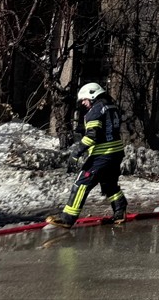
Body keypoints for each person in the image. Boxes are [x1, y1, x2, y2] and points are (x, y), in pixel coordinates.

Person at [46, 82, 128, 228]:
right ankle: (120, 211)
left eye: (84, 99)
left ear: (92, 95)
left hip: (102, 155)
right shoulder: (112, 107)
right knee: (109, 183)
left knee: (81, 183)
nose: (83, 103)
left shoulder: (95, 111)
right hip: (116, 153)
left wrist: (76, 153)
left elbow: (92, 136)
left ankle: (67, 218)